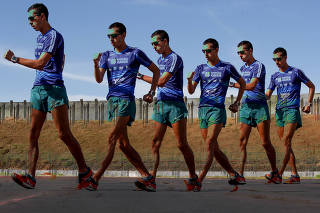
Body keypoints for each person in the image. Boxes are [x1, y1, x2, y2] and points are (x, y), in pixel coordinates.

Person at [3, 3, 95, 190]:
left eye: (33, 18)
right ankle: (30, 177)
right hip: (38, 89)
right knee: (32, 134)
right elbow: (59, 61)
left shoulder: (54, 36)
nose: (30, 22)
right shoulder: (39, 38)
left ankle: (84, 171)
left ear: (43, 16)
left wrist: (15, 59)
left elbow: (40, 63)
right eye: (28, 19)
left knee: (63, 134)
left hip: (54, 90)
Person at [93, 22, 160, 191]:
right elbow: (99, 79)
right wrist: (95, 64)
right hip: (112, 101)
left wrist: (151, 92)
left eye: (114, 35)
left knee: (112, 138)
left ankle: (95, 178)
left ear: (123, 35)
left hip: (126, 101)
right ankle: (147, 178)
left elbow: (156, 71)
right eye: (109, 36)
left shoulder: (135, 53)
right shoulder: (106, 55)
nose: (111, 39)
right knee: (123, 145)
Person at [137, 30, 200, 191]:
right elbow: (157, 84)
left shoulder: (175, 58)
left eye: (156, 43)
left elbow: (162, 81)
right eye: (152, 44)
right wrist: (151, 93)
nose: (154, 47)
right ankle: (151, 179)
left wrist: (139, 75)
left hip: (175, 105)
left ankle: (194, 178)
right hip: (161, 104)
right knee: (155, 143)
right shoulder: (160, 59)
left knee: (181, 144)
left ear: (165, 41)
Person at [187, 38, 246, 191]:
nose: (205, 54)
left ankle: (199, 180)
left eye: (208, 51)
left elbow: (243, 84)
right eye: (203, 51)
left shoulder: (227, 67)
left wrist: (236, 103)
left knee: (209, 143)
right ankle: (234, 174)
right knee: (214, 148)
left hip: (217, 110)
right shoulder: (200, 68)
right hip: (203, 110)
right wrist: (188, 80)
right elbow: (191, 91)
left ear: (216, 50)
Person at [229, 41, 280, 184]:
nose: (240, 55)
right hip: (246, 107)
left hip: (259, 108)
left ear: (250, 51)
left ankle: (275, 172)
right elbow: (242, 89)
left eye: (243, 52)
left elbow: (250, 86)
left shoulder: (259, 66)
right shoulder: (242, 68)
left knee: (265, 142)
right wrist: (237, 103)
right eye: (238, 53)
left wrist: (232, 84)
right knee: (242, 141)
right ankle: (240, 175)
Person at [265, 47, 315, 184]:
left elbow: (311, 86)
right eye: (274, 59)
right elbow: (268, 94)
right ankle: (295, 175)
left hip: (292, 110)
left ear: (285, 57)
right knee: (286, 144)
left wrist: (308, 103)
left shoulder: (296, 72)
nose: (277, 62)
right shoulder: (274, 76)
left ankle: (279, 175)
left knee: (286, 141)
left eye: (279, 59)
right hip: (280, 112)